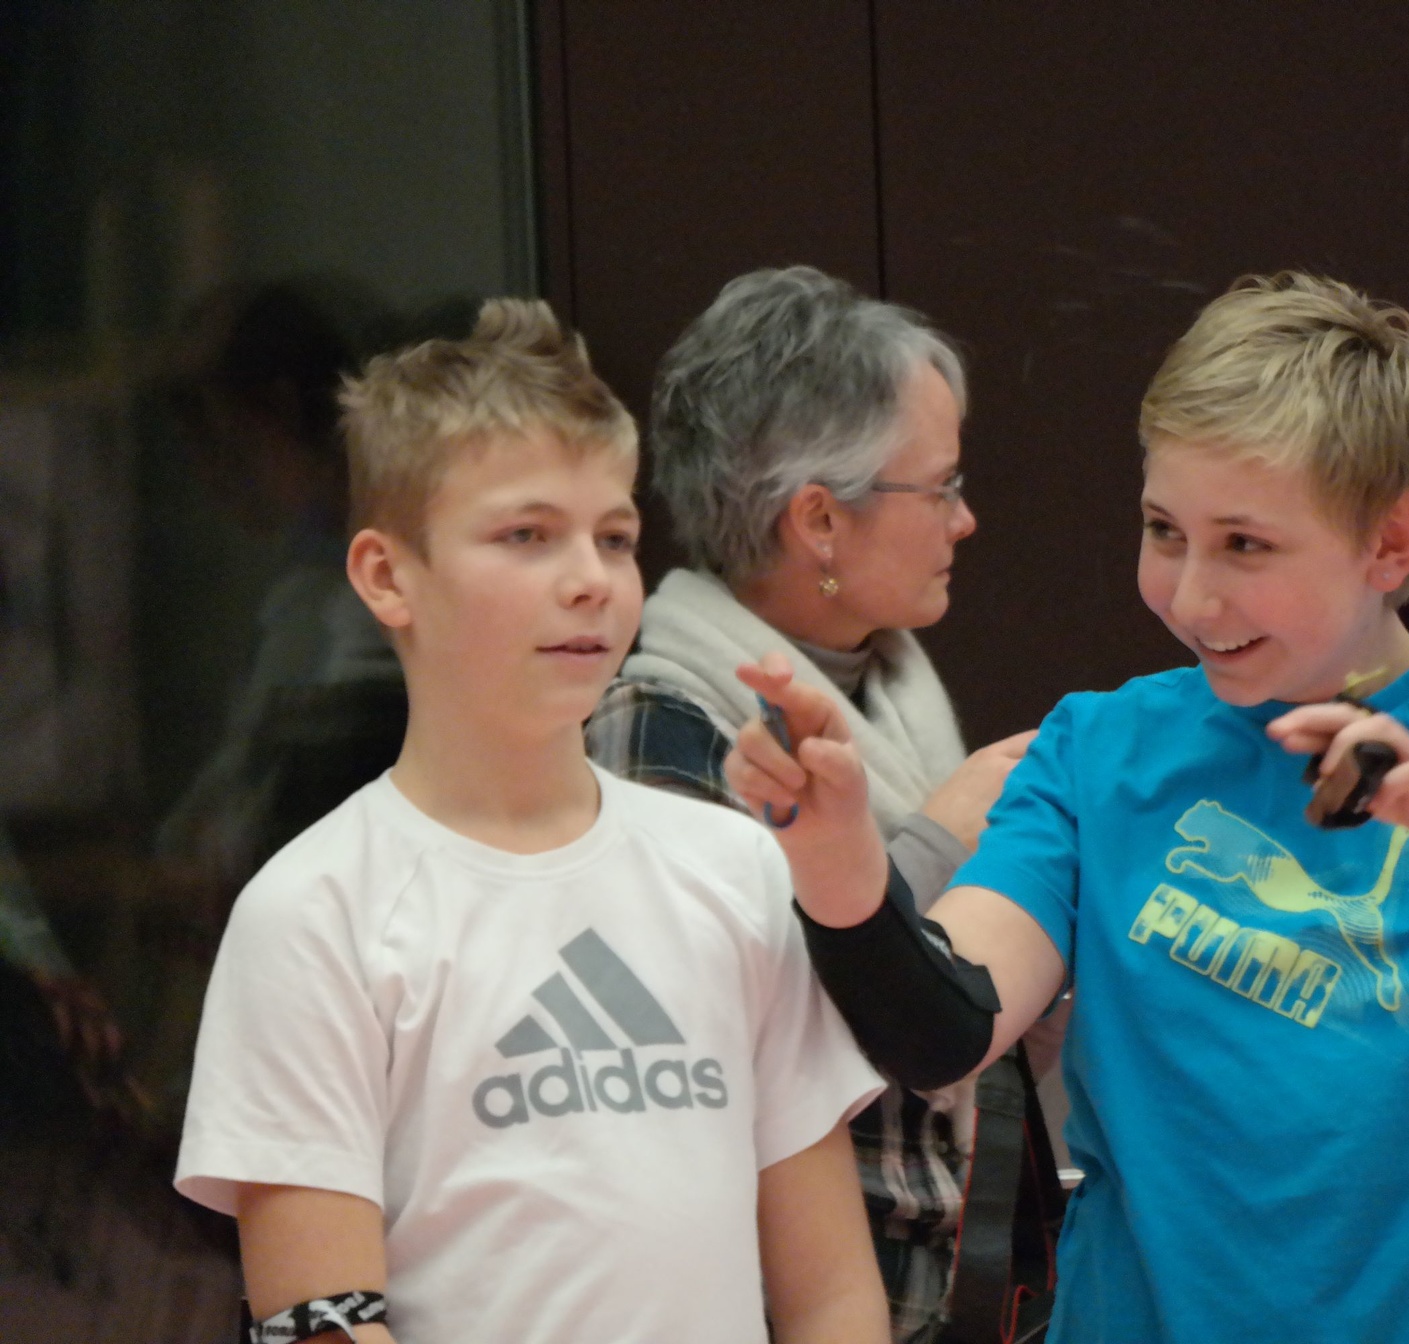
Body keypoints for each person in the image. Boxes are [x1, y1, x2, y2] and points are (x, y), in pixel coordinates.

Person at [729, 272, 1409, 1342]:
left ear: (1392, 543)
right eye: (1164, 530)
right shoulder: (1098, 748)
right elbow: (944, 1029)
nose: (1192, 594)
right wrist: (841, 863)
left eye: (1245, 545)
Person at [172, 299, 887, 1344]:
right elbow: (321, 1325)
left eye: (616, 538)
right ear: (386, 576)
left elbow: (832, 1296)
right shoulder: (315, 912)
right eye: (527, 536)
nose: (590, 581)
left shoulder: (734, 867)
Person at [586, 265, 1049, 1342]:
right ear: (819, 520)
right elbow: (711, 1050)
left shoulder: (889, 683)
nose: (966, 519)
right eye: (940, 486)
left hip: (952, 1284)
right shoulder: (660, 726)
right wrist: (938, 848)